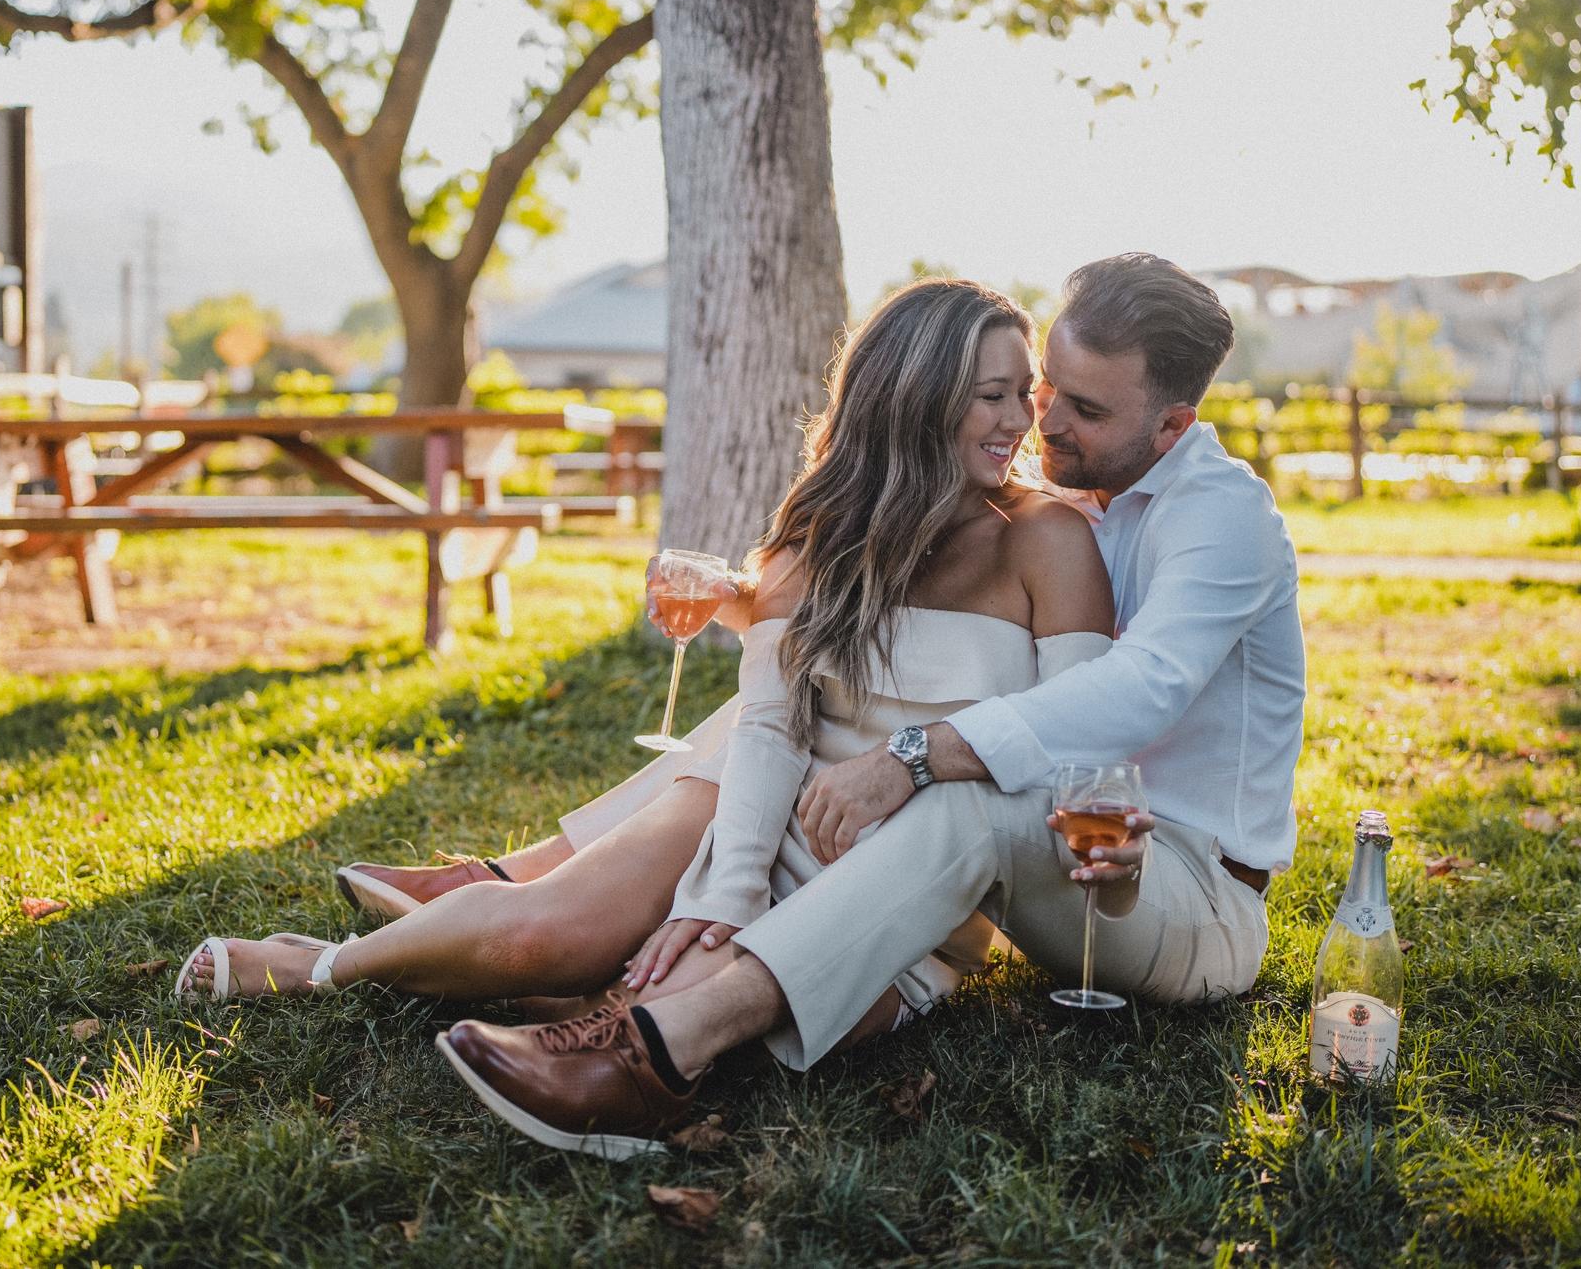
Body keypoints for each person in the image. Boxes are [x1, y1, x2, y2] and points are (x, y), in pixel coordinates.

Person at [434, 253, 1305, 1157]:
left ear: (1172, 425)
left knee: (971, 796)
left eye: (1084, 409)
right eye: (1048, 386)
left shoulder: (1222, 517)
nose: (1044, 420)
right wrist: (757, 602)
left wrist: (912, 755)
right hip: (1061, 850)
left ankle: (658, 1051)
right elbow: (926, 617)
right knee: (775, 716)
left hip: (1183, 885)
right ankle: (553, 920)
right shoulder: (1077, 482)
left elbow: (1144, 687)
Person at [174, 277, 1128, 1038]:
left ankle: (559, 986)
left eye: (1025, 394)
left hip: (911, 878)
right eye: (994, 396)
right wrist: (732, 889)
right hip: (764, 819)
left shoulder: (1047, 540)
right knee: (546, 932)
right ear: (915, 402)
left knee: (649, 1013)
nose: (1022, 421)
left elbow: (1074, 738)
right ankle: (322, 963)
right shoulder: (822, 537)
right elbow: (769, 726)